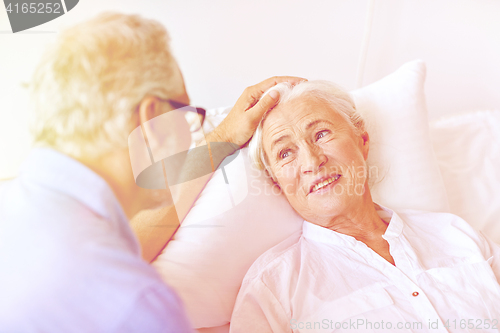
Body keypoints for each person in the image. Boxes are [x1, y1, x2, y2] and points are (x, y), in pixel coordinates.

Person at [0, 12, 304, 332]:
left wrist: (226, 137)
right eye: (186, 113)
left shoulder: (25, 213)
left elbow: (126, 245)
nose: (191, 131)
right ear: (151, 119)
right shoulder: (138, 304)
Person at [230, 80, 500, 332]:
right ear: (276, 182)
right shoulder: (273, 288)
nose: (312, 161)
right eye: (285, 153)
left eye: (321, 134)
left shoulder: (455, 233)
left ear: (362, 141)